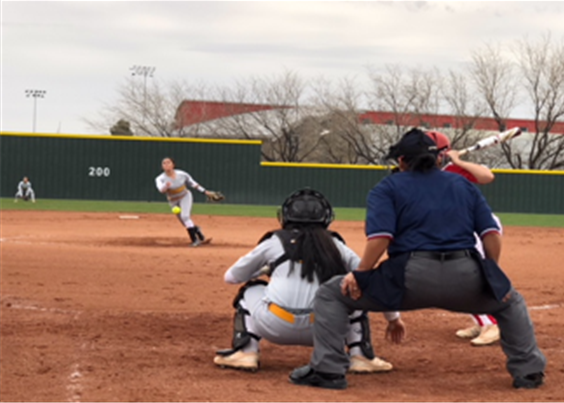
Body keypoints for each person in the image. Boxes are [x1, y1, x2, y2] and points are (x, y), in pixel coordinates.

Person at [289, 128, 546, 390]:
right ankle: (529, 372)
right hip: (466, 275)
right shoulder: (462, 185)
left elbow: (381, 238)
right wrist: (491, 272)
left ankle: (328, 371)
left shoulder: (387, 187)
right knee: (510, 301)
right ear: (437, 159)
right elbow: (491, 233)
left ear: (401, 161)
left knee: (332, 293)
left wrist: (361, 272)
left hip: (408, 278)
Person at [213, 188, 399, 373]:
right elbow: (372, 281)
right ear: (326, 217)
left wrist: (265, 270)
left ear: (285, 216)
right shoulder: (335, 245)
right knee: (353, 291)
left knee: (249, 291)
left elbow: (231, 277)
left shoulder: (274, 241)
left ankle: (245, 352)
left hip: (275, 326)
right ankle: (361, 355)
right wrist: (394, 319)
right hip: (324, 329)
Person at [426, 131, 500, 346]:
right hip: (458, 230)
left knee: (469, 277)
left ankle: (491, 323)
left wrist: (459, 160)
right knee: (465, 277)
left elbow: (487, 177)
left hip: (478, 228)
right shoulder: (424, 177)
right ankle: (482, 320)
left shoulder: (453, 169)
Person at [154, 157, 218, 246]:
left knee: (185, 216)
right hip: (173, 201)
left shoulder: (182, 174)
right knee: (184, 222)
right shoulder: (160, 178)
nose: (166, 165)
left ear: (173, 165)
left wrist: (205, 191)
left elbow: (193, 183)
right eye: (164, 163)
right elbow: (161, 190)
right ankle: (196, 229)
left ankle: (195, 240)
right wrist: (165, 186)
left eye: (168, 162)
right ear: (162, 166)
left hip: (185, 196)